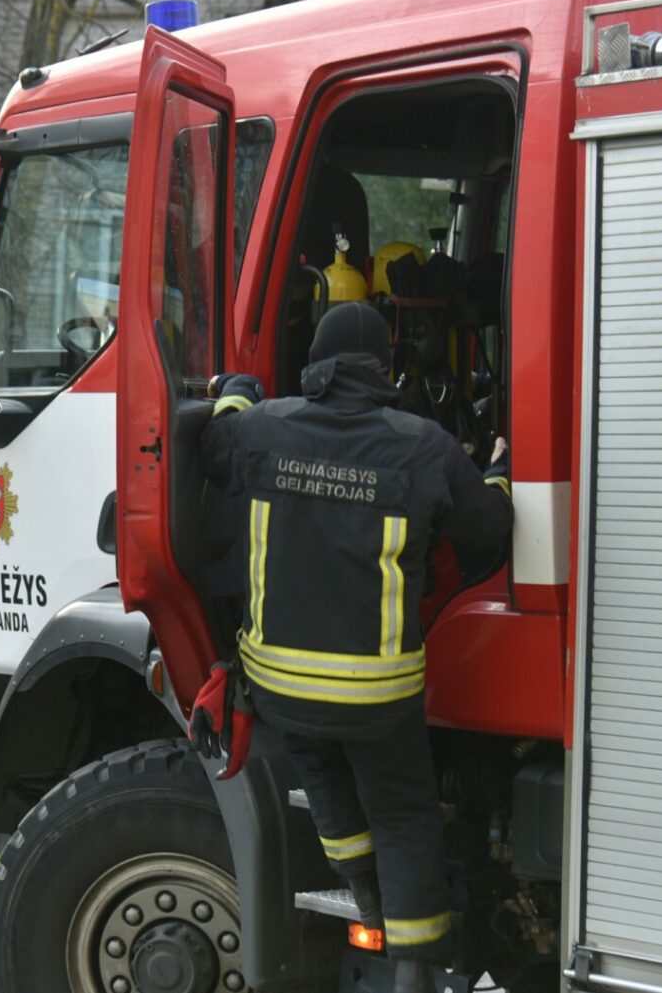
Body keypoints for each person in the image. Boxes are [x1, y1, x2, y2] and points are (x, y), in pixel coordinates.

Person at [194, 301, 512, 992]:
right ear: (384, 366)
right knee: (403, 813)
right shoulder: (424, 444)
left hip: (280, 687)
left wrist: (236, 393)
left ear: (317, 360)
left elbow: (213, 448)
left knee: (323, 773)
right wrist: (498, 473)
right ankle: (412, 969)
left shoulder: (264, 426)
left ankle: (366, 898)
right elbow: (488, 533)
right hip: (379, 696)